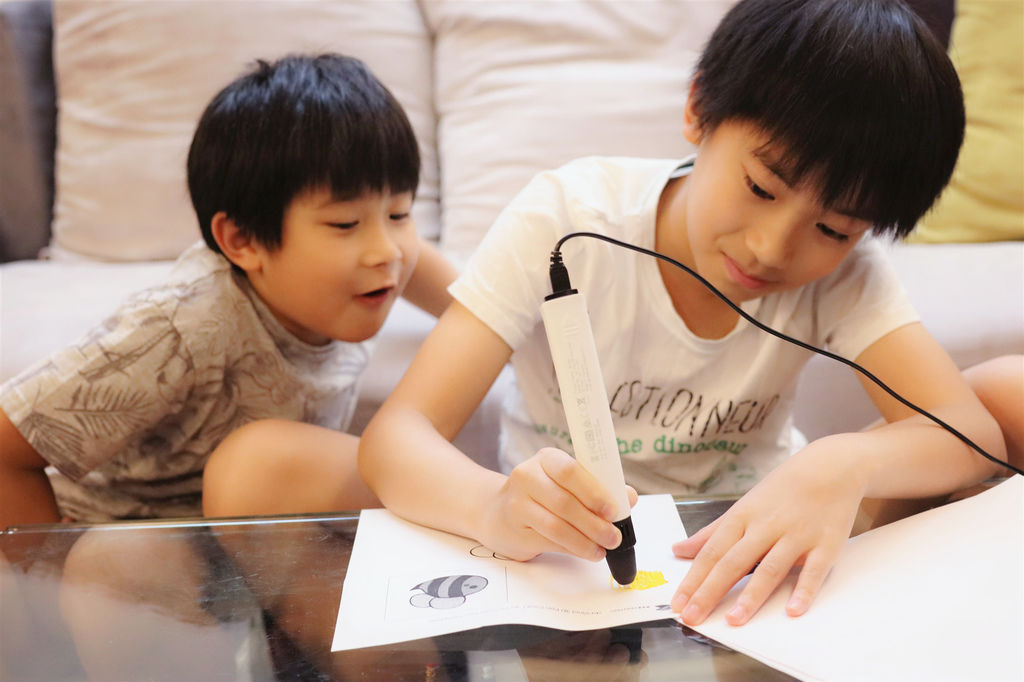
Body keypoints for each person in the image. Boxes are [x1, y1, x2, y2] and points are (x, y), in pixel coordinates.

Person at [356, 0, 1011, 629]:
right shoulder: (567, 219)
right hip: (572, 568)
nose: (771, 247)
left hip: (748, 561)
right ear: (698, 110)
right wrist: (493, 507)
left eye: (834, 229)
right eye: (760, 188)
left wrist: (845, 462)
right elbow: (397, 437)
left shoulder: (847, 275)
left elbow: (968, 432)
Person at [0, 53, 456, 529]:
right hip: (130, 537)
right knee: (107, 564)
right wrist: (43, 570)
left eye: (399, 214)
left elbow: (457, 288)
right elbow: (6, 448)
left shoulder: (367, 271)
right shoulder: (181, 328)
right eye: (345, 223)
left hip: (251, 526)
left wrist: (496, 318)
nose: (387, 252)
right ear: (242, 241)